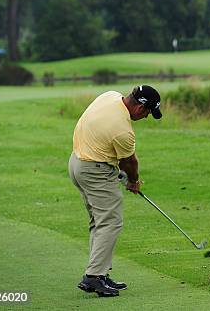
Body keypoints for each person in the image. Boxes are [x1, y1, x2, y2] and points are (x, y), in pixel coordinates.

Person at [68, 85, 162, 297]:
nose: (147, 117)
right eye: (148, 113)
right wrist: (134, 181)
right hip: (94, 170)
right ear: (140, 108)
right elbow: (129, 162)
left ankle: (99, 274)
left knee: (99, 222)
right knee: (111, 222)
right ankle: (93, 277)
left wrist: (116, 171)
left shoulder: (109, 96)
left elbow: (106, 143)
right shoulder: (123, 130)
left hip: (77, 162)